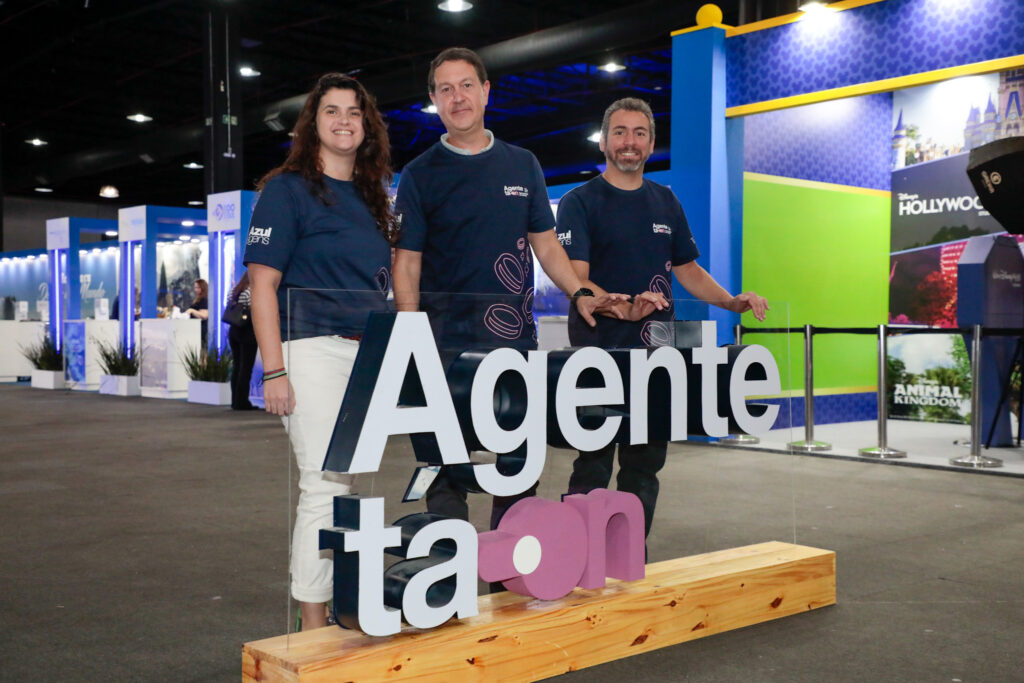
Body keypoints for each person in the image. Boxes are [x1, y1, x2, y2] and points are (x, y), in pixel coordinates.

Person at [392, 47, 627, 529]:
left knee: (517, 466)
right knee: (444, 469)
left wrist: (580, 292)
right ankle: (447, 583)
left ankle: (513, 578)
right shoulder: (419, 173)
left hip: (512, 344)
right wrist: (409, 334)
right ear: (434, 100)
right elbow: (407, 262)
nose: (457, 97)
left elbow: (547, 245)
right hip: (444, 349)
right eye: (445, 89)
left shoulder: (523, 165)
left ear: (486, 91)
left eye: (466, 85)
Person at [559, 97, 769, 538]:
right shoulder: (581, 201)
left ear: (651, 144)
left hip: (658, 351)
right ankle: (579, 559)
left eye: (639, 133)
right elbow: (576, 277)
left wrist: (731, 301)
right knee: (593, 460)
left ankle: (628, 554)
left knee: (645, 464)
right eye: (619, 132)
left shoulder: (665, 201)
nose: (629, 142)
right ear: (604, 142)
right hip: (600, 349)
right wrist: (616, 302)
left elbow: (688, 269)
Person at [243, 73, 396, 630]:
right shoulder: (287, 190)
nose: (344, 121)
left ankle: (332, 606)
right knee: (324, 484)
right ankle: (312, 622)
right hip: (307, 350)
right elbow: (262, 285)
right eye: (332, 111)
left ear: (367, 125)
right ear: (314, 123)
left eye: (354, 113)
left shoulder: (374, 195)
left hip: (365, 354)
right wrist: (274, 370)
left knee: (343, 484)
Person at [226, 272, 258, 410]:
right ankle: (242, 402)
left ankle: (235, 401)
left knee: (237, 366)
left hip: (234, 330)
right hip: (247, 332)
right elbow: (256, 311)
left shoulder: (233, 290)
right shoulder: (253, 291)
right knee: (246, 368)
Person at [184, 278, 209, 344]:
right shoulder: (198, 299)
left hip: (200, 331)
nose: (196, 290)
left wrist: (191, 310)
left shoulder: (204, 299)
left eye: (198, 287)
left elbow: (204, 315)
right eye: (195, 287)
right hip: (195, 330)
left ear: (203, 288)